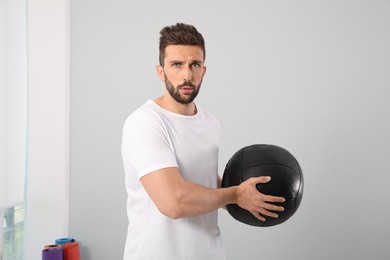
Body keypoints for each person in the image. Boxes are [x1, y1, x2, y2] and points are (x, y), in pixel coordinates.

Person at [121, 23, 285, 260]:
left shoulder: (210, 123)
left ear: (203, 71)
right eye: (176, 65)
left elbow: (203, 181)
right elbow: (174, 202)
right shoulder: (145, 122)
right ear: (161, 71)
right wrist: (235, 195)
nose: (187, 75)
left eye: (194, 65)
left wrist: (251, 193)